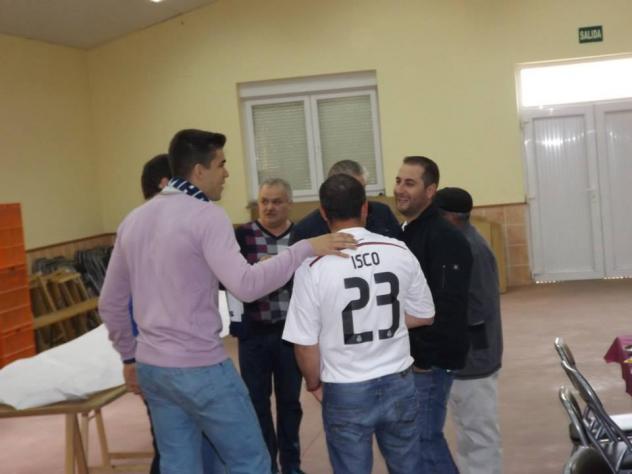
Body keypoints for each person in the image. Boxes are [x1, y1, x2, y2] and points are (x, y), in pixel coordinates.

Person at [99, 129, 356, 474]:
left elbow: (110, 302)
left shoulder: (134, 220)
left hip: (154, 369)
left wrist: (129, 356)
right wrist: (304, 249)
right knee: (250, 461)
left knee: (178, 464)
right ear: (199, 170)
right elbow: (246, 286)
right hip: (199, 367)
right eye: (221, 164)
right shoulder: (206, 216)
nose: (227, 173)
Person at [283, 174, 436, 474]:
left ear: (323, 213)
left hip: (345, 388)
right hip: (399, 380)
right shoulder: (399, 251)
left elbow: (304, 343)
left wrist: (314, 383)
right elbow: (424, 314)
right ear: (365, 208)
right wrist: (382, 319)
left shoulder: (313, 267)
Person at [128, 153, 223, 474]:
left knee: (178, 444)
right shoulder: (152, 235)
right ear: (166, 184)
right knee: (180, 445)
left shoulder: (145, 229)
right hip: (174, 363)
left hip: (166, 361)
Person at [394, 156, 473, 474]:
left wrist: (424, 360)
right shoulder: (410, 232)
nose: (400, 189)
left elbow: (447, 307)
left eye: (409, 183)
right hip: (416, 357)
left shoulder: (444, 237)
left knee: (424, 439)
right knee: (418, 439)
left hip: (430, 362)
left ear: (430, 191)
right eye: (398, 181)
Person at [230, 178, 305, 474]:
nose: (270, 207)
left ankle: (292, 465)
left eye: (276, 201)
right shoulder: (242, 236)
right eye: (264, 201)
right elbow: (228, 279)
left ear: (289, 204)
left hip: (290, 334)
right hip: (253, 334)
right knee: (256, 404)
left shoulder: (301, 236)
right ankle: (267, 466)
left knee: (290, 403)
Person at [435, 187, 503, 474]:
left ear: (449, 217)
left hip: (474, 358)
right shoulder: (459, 244)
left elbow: (478, 309)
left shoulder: (470, 249)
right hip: (466, 356)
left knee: (479, 434)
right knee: (467, 432)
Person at [289, 160, 401, 243]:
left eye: (360, 190)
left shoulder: (382, 213)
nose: (356, 197)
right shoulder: (305, 231)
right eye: (348, 191)